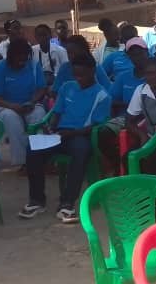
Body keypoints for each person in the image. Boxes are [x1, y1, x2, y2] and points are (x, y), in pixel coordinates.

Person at [19, 54, 110, 223]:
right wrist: (50, 127)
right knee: (33, 149)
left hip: (82, 135)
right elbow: (57, 112)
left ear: (92, 71)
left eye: (82, 75)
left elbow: (96, 126)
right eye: (76, 75)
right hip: (60, 134)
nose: (78, 79)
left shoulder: (102, 95)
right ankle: (37, 200)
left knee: (81, 150)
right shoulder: (67, 87)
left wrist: (72, 133)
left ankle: (67, 203)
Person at [0, 39, 48, 168]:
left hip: (29, 103)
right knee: (12, 118)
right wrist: (12, 106)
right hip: (5, 105)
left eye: (24, 58)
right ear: (11, 56)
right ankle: (22, 161)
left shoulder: (33, 65)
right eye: (19, 59)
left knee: (39, 115)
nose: (22, 61)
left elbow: (42, 88)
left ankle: (39, 158)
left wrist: (32, 102)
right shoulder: (1, 68)